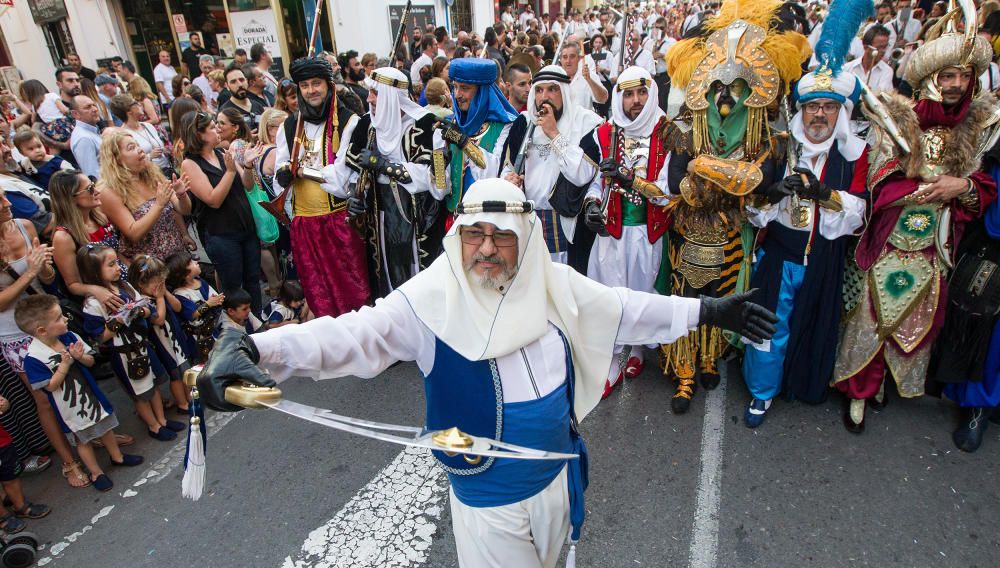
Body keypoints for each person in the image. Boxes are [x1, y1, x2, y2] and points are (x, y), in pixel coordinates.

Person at [196, 178, 777, 568]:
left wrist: (706, 310)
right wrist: (258, 348)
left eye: (502, 235)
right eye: (476, 233)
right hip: (488, 502)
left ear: (524, 237)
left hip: (556, 477)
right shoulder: (427, 300)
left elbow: (627, 309)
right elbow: (353, 333)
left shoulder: (551, 282)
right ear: (459, 235)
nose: (488, 248)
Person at [833, 5, 1000, 433]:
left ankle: (887, 379)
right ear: (931, 79)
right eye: (948, 77)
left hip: (937, 244)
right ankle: (859, 391)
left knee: (915, 316)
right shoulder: (898, 121)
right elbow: (875, 182)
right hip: (890, 239)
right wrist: (924, 185)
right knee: (872, 315)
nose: (956, 85)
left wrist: (960, 188)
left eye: (963, 77)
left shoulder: (977, 128)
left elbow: (983, 184)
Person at [658, 0, 808, 414]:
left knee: (723, 295)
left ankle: (709, 357)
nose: (725, 95)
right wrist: (733, 178)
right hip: (691, 232)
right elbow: (678, 185)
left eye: (735, 88)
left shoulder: (766, 138)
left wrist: (709, 173)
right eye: (718, 87)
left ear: (750, 92)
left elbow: (760, 189)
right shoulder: (687, 130)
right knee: (689, 297)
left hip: (733, 233)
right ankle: (685, 370)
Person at [740, 17, 870, 427]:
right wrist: (772, 194)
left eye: (828, 107)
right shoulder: (781, 146)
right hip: (779, 255)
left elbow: (860, 212)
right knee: (769, 330)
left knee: (812, 324)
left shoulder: (854, 155)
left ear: (840, 112)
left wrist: (824, 195)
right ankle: (762, 393)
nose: (819, 114)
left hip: (824, 258)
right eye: (812, 106)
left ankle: (800, 383)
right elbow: (751, 201)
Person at [583, 67, 672, 396]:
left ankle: (635, 350)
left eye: (641, 93)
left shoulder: (667, 133)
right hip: (612, 233)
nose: (635, 101)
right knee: (609, 296)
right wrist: (593, 204)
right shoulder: (607, 133)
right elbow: (596, 181)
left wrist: (630, 179)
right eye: (628, 94)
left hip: (647, 234)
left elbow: (667, 194)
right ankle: (611, 356)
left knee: (639, 295)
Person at [271, 56, 369, 318]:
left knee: (353, 292)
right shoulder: (289, 125)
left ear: (329, 85)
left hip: (339, 223)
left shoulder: (349, 122)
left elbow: (340, 181)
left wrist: (301, 171)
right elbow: (279, 168)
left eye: (317, 83)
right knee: (318, 294)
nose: (311, 90)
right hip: (304, 225)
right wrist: (283, 175)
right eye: (304, 85)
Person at [18, 293, 144, 493]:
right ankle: (96, 472)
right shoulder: (33, 358)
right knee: (82, 439)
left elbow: (91, 360)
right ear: (42, 330)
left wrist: (80, 357)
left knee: (105, 427)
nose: (66, 319)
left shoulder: (68, 336)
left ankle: (117, 456)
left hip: (90, 394)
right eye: (59, 318)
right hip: (70, 407)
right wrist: (65, 365)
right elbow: (48, 387)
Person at [340, 67, 445, 296]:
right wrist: (354, 198)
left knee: (418, 279)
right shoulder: (366, 126)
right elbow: (348, 172)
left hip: (418, 216)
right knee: (386, 276)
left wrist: (383, 164)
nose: (369, 99)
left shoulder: (429, 125)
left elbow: (440, 182)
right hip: (380, 215)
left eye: (375, 93)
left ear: (391, 96)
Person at [501, 65, 602, 273]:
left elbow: (582, 175)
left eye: (552, 89)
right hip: (530, 219)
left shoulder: (586, 123)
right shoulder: (524, 123)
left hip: (568, 222)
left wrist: (554, 134)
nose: (544, 96)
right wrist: (508, 180)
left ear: (564, 92)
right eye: (539, 90)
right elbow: (506, 168)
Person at [78, 244, 184, 441]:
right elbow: (98, 337)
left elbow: (148, 310)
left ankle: (162, 420)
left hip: (142, 344)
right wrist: (118, 321)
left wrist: (141, 311)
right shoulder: (93, 303)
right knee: (140, 392)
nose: (117, 267)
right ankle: (153, 425)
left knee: (153, 385)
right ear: (94, 272)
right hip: (123, 354)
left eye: (116, 263)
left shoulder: (125, 287)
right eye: (111, 265)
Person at [178, 112, 261, 316]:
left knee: (253, 280)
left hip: (245, 227)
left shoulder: (222, 152)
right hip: (222, 234)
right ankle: (240, 330)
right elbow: (213, 200)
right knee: (233, 286)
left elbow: (247, 185)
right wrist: (230, 171)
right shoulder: (190, 164)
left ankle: (258, 321)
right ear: (198, 135)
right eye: (212, 127)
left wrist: (248, 165)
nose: (218, 130)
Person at [98, 130, 192, 262]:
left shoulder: (152, 175)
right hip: (150, 267)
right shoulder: (109, 192)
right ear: (116, 159)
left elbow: (184, 210)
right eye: (131, 148)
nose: (140, 150)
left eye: (137, 145)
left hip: (177, 257)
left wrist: (181, 194)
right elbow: (133, 233)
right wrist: (159, 204)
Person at [444, 58, 520, 215]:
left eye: (464, 88)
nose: (457, 95)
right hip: (455, 218)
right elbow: (440, 188)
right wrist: (437, 158)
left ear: (482, 91)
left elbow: (494, 173)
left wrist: (464, 142)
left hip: (488, 217)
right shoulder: (451, 123)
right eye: (455, 87)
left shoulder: (506, 126)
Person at [128, 255, 190, 413]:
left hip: (175, 336)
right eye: (156, 281)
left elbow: (177, 307)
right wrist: (160, 298)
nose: (160, 284)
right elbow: (159, 319)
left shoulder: (161, 292)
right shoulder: (144, 301)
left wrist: (165, 293)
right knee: (175, 373)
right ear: (141, 284)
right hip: (163, 342)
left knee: (185, 369)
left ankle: (191, 398)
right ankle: (183, 404)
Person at [166, 250, 223, 364]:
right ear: (184, 274)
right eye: (191, 262)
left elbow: (214, 297)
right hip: (200, 336)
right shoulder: (181, 293)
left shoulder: (200, 281)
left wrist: (218, 299)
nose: (196, 262)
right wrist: (208, 304)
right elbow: (192, 315)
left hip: (214, 326)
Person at [109, 95, 172, 175]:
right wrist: (149, 156)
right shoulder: (123, 135)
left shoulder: (147, 126)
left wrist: (166, 150)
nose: (140, 104)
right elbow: (126, 163)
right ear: (129, 111)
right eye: (135, 103)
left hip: (167, 170)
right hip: (148, 175)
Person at [559, 40, 608, 113]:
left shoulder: (589, 75)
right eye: (565, 57)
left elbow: (603, 99)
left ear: (579, 59)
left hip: (583, 123)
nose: (568, 61)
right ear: (561, 60)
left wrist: (589, 80)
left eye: (572, 57)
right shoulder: (556, 77)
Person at [843, 25, 894, 93]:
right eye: (879, 47)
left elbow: (884, 98)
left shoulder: (887, 71)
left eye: (885, 47)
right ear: (866, 47)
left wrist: (871, 94)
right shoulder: (848, 68)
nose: (883, 51)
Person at [219, 65, 265, 133]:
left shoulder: (258, 106)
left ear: (246, 81)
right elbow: (221, 140)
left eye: (241, 80)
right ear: (227, 86)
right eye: (233, 82)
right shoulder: (224, 112)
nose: (240, 84)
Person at [69, 95, 103, 180]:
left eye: (94, 105)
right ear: (75, 114)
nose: (95, 109)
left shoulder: (91, 131)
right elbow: (93, 175)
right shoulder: (83, 138)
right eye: (88, 107)